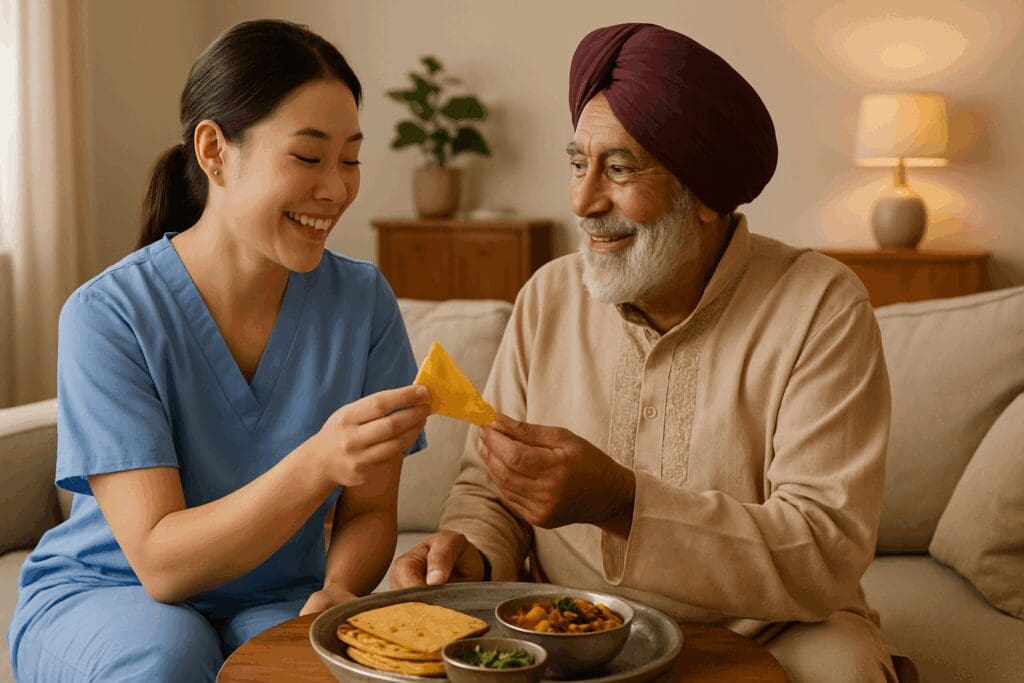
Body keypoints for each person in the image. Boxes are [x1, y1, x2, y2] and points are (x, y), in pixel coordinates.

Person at [391, 22, 916, 682]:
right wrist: (472, 551)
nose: (583, 201)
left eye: (619, 168)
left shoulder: (821, 306)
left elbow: (823, 551)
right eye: (579, 164)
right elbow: (488, 489)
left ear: (704, 194)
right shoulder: (549, 295)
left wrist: (623, 503)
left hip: (770, 628)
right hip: (566, 625)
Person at [7, 19, 431, 682]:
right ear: (214, 151)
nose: (337, 188)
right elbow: (160, 560)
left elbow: (372, 511)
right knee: (166, 658)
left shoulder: (363, 302)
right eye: (309, 156)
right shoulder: (108, 315)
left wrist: (342, 589)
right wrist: (318, 460)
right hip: (110, 591)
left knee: (310, 669)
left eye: (350, 158)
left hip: (271, 598)